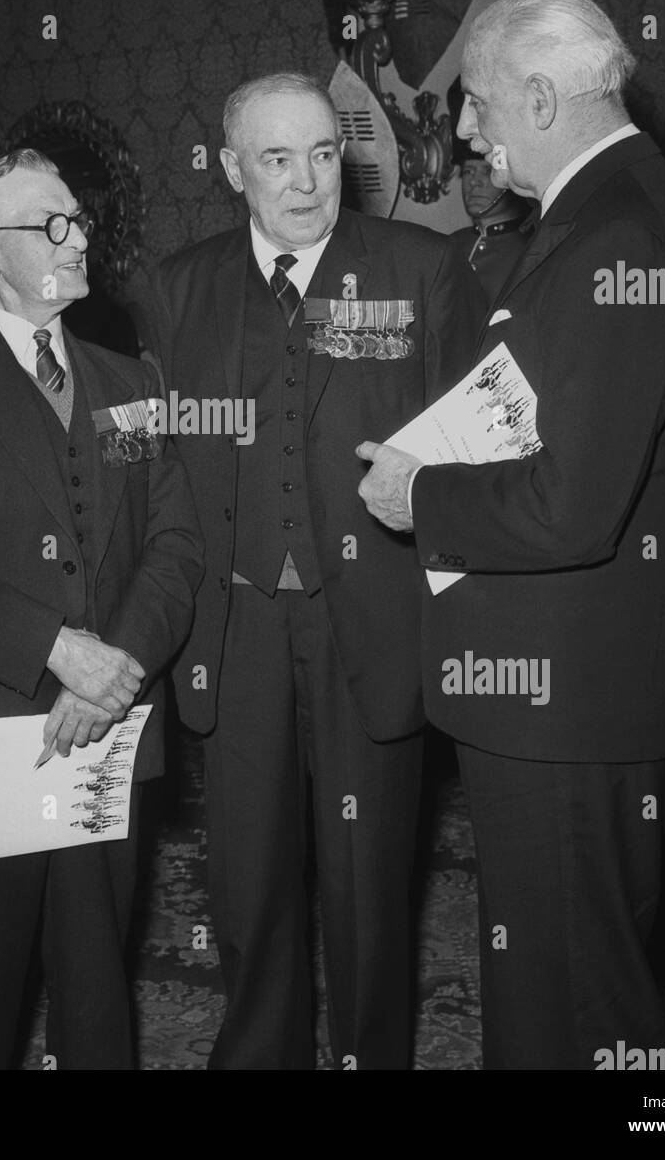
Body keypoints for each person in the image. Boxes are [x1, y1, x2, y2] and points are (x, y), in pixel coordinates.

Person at [357, 0, 665, 1069]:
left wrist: (414, 495)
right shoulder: (610, 217)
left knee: (570, 1017)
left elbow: (569, 501)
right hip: (575, 694)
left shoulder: (612, 233)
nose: (466, 130)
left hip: (571, 702)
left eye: (474, 102)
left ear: (534, 93)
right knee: (565, 997)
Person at [143, 72, 483, 1069]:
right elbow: (157, 466)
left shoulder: (422, 269)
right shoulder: (176, 288)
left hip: (368, 625)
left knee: (368, 886)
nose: (305, 181)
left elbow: (472, 455)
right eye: (278, 158)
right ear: (229, 168)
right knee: (246, 883)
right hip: (235, 628)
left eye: (324, 154)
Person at [0, 149, 202, 1070]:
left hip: (106, 733)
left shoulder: (132, 387)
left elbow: (176, 549)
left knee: (97, 998)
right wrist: (60, 651)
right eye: (49, 224)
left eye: (78, 219)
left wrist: (116, 671)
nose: (77, 238)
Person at [446, 74, 536, 303]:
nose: (473, 182)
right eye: (467, 172)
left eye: (486, 171)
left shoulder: (531, 252)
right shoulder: (449, 246)